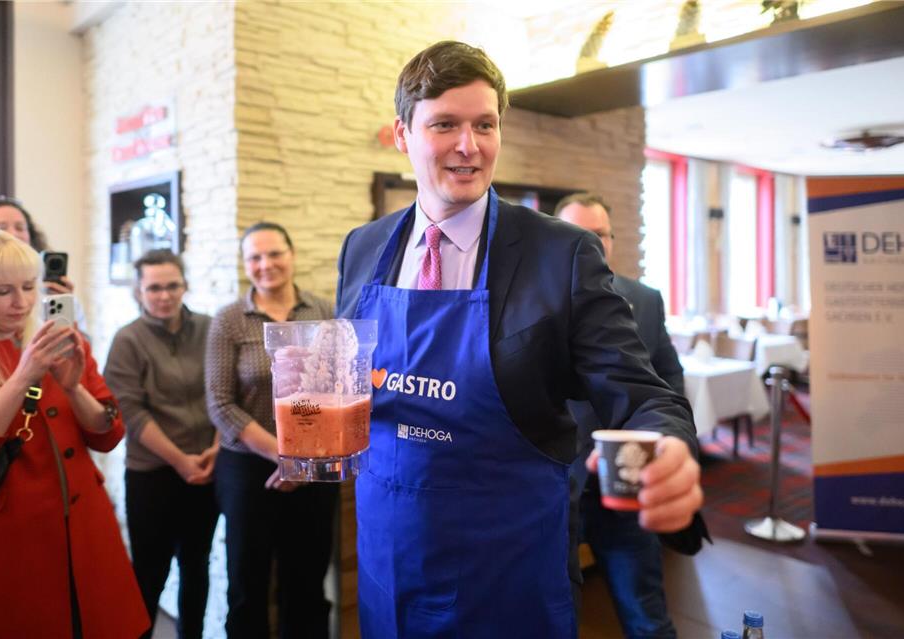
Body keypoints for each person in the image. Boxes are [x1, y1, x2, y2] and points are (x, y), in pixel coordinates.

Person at [335, 41, 702, 638]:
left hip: (509, 568)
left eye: (485, 124)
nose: (469, 146)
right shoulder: (363, 247)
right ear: (402, 134)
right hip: (389, 559)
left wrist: (670, 446)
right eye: (445, 124)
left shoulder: (561, 253)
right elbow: (347, 381)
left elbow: (640, 393)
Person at [0, 229, 149, 638]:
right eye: (3, 290)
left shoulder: (62, 337)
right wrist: (22, 377)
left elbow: (109, 432)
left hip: (84, 531)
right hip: (7, 545)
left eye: (29, 286)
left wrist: (73, 387)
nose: (22, 302)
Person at [557, 193, 690, 638]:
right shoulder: (534, 301)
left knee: (647, 616)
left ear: (612, 239)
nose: (589, 244)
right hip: (557, 487)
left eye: (597, 234)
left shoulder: (646, 300)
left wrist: (668, 441)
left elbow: (669, 381)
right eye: (576, 234)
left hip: (630, 484)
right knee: (553, 614)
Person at [206, 221, 338, 639]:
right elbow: (220, 404)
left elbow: (337, 389)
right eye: (255, 258)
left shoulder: (322, 311)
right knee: (248, 585)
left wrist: (304, 459)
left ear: (292, 254)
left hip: (315, 468)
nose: (266, 264)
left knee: (308, 584)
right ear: (246, 265)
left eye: (274, 253)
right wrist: (282, 456)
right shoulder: (229, 320)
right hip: (249, 471)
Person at [103, 249, 220, 639]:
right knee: (149, 574)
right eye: (154, 287)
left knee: (196, 566)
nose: (164, 295)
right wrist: (181, 461)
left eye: (173, 285)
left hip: (207, 470)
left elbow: (225, 392)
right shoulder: (127, 340)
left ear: (185, 285)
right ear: (138, 291)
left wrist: (215, 450)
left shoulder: (209, 328)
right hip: (152, 476)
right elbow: (132, 415)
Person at [0, 195, 88, 333]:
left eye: (20, 227)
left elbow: (81, 345)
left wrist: (65, 309)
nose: (13, 234)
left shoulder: (55, 293)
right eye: (0, 228)